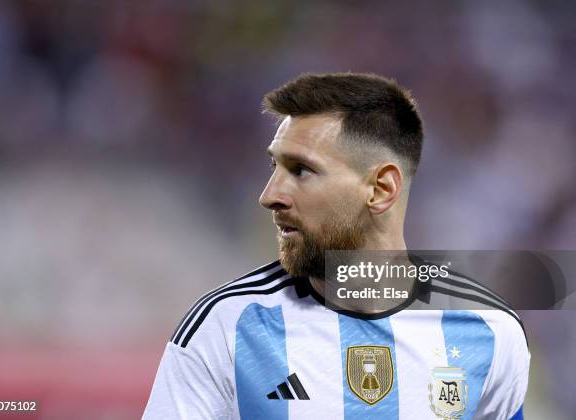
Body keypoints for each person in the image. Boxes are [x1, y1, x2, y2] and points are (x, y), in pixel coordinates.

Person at [143, 73, 529, 419]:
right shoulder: (224, 327)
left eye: (301, 170)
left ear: (381, 189)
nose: (269, 195)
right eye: (274, 167)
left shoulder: (490, 329)